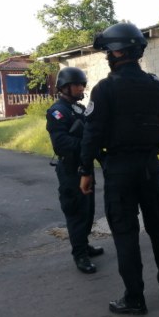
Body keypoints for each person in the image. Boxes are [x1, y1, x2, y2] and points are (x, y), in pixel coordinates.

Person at [79, 22, 159, 315]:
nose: (106, 57)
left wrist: (86, 169)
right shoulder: (158, 86)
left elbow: (92, 133)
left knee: (125, 233)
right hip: (150, 166)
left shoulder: (105, 89)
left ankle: (135, 298)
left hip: (120, 169)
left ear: (117, 51)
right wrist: (150, 153)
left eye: (107, 52)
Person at [46, 67, 103, 274]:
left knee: (88, 211)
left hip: (85, 167)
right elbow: (61, 143)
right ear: (65, 87)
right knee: (76, 213)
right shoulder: (57, 111)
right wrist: (86, 145)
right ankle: (80, 255)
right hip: (70, 169)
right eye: (77, 85)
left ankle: (84, 244)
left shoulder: (79, 109)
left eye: (82, 84)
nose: (81, 88)